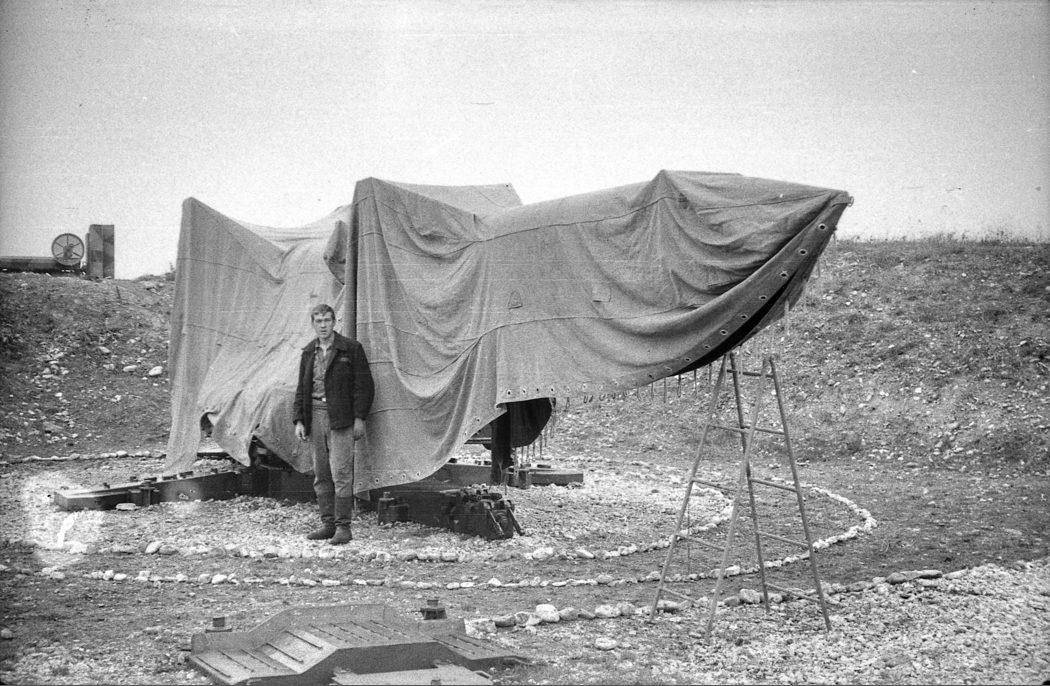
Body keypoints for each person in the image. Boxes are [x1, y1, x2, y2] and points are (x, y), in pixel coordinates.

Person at [292, 303, 374, 545]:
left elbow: (364, 386)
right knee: (321, 473)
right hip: (315, 416)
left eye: (327, 320)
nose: (323, 326)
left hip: (341, 418)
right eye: (318, 321)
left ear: (334, 322)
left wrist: (359, 418)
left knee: (341, 472)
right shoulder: (308, 352)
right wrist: (299, 419)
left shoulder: (351, 349)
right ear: (313, 324)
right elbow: (301, 388)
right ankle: (328, 524)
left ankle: (343, 527)